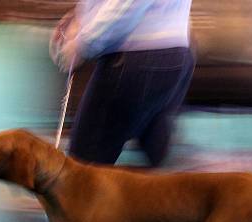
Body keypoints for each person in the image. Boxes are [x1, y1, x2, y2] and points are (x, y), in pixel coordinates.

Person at [50, 0, 194, 166]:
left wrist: (83, 43)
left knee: (82, 169)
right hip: (173, 50)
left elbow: (128, 3)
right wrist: (79, 18)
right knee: (157, 166)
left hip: (138, 56)